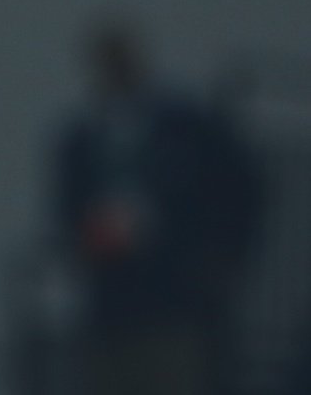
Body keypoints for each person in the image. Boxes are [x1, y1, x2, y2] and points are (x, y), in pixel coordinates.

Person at [54, 21, 264, 395]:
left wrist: (224, 256)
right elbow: (69, 213)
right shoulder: (82, 138)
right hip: (109, 309)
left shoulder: (186, 128)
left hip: (174, 305)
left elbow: (243, 188)